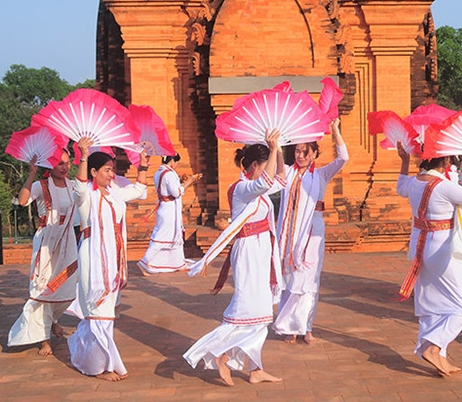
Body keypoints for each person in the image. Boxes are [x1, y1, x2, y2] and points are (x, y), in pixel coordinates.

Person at [184, 129, 285, 386]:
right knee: (247, 310)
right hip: (249, 250)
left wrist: (279, 150)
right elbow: (265, 182)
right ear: (254, 166)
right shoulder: (243, 189)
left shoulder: (255, 189)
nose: (269, 171)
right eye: (266, 166)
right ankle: (221, 353)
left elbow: (281, 179)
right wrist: (272, 149)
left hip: (261, 251)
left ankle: (255, 369)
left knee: (261, 314)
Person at [396, 140, 462, 376]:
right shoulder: (443, 186)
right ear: (446, 160)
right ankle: (433, 346)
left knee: (433, 304)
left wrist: (405, 161)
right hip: (441, 250)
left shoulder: (414, 182)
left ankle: (439, 355)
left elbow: (399, 187)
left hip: (421, 247)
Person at [67, 137, 148, 382]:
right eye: (107, 170)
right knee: (98, 311)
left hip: (114, 257)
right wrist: (83, 154)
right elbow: (80, 186)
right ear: (94, 172)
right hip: (93, 256)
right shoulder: (86, 196)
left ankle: (88, 353)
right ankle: (97, 367)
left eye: (112, 169)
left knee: (106, 313)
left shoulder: (114, 193)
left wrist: (143, 166)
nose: (112, 174)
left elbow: (139, 191)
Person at [272, 119, 348, 345]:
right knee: (289, 278)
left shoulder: (321, 175)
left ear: (314, 154)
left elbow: (343, 158)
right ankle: (289, 327)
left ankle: (307, 327)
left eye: (306, 152)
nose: (301, 155)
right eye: (297, 151)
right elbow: (277, 169)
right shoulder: (288, 173)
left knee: (309, 280)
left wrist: (335, 130)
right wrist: (275, 146)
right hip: (288, 234)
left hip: (312, 233)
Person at [8, 151, 78, 356]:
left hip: (68, 241)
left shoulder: (73, 185)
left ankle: (53, 320)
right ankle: (43, 339)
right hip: (47, 242)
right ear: (50, 165)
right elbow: (22, 201)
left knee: (66, 287)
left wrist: (84, 156)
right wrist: (31, 174)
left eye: (67, 163)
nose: (64, 167)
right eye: (59, 163)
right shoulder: (41, 186)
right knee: (42, 288)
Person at [138, 153, 200, 275]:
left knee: (175, 235)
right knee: (162, 236)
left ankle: (178, 262)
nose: (176, 165)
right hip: (169, 211)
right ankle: (144, 262)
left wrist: (181, 181)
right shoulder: (170, 174)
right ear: (172, 161)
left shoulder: (158, 172)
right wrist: (190, 182)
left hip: (165, 208)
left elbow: (167, 189)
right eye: (176, 162)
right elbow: (176, 192)